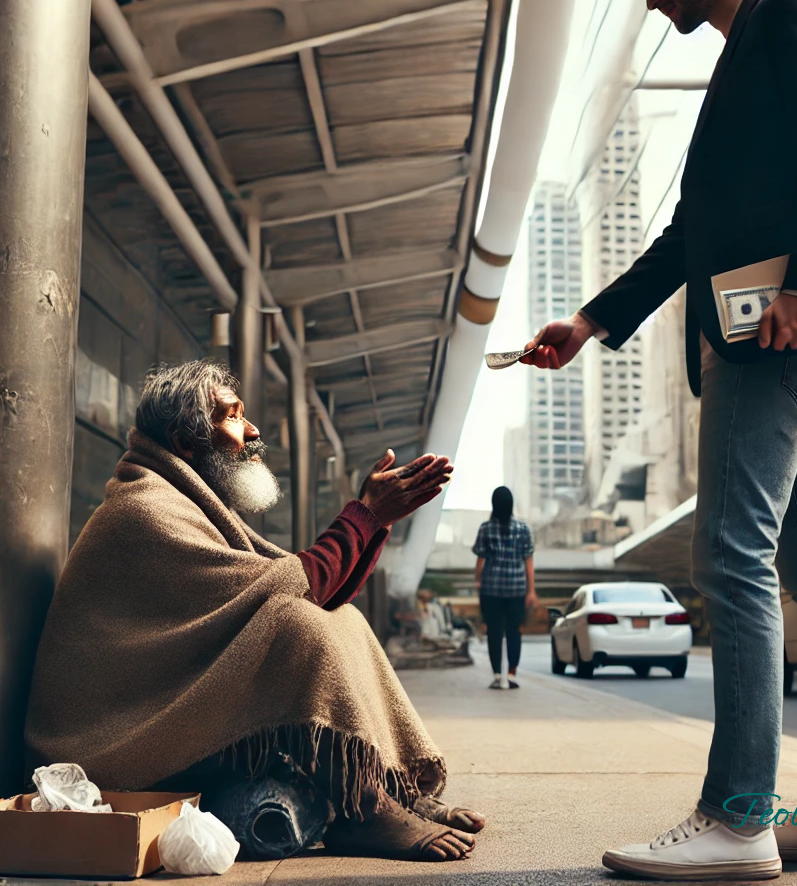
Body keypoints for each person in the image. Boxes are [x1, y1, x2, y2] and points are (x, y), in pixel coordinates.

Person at [522, 0, 797, 882]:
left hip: (784, 330)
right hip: (778, 332)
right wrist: (593, 320)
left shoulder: (793, 10)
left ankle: (736, 817)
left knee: (734, 554)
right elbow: (688, 237)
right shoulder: (736, 62)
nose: (645, 0)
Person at [26, 360, 485, 863]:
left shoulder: (179, 498)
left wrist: (373, 521)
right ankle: (363, 812)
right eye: (232, 416)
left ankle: (381, 787)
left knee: (339, 620)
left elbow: (311, 589)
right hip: (113, 743)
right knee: (297, 627)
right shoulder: (143, 508)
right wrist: (366, 515)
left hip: (158, 713)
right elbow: (288, 594)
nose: (252, 430)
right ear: (184, 441)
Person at [473, 486, 538, 690]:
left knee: (494, 631)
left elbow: (480, 559)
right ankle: (511, 674)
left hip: (491, 589)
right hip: (516, 589)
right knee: (514, 631)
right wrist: (531, 591)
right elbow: (528, 562)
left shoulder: (486, 528)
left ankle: (496, 674)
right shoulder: (523, 529)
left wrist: (477, 581)